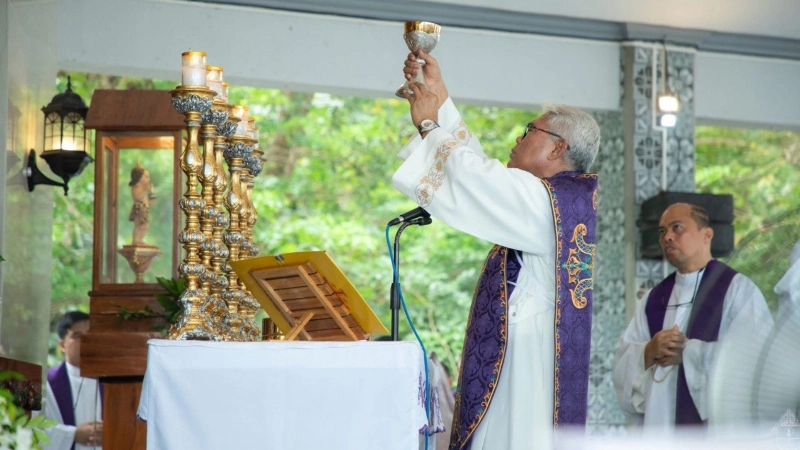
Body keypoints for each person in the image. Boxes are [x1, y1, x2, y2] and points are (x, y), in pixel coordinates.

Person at [392, 50, 601, 450]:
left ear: (558, 148)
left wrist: (430, 122)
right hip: (519, 358)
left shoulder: (547, 202)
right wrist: (440, 96)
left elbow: (476, 178)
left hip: (525, 369)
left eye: (528, 132)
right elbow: (475, 168)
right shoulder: (560, 200)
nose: (517, 140)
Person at [613, 203, 773, 430]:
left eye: (677, 228)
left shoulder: (737, 290)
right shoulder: (653, 300)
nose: (667, 236)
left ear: (706, 234)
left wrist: (689, 353)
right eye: (662, 232)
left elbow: (760, 362)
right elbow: (622, 365)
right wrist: (649, 352)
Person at [43, 311, 103, 450]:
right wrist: (73, 434)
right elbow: (33, 426)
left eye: (89, 335)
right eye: (77, 336)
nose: (86, 340)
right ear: (62, 345)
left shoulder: (112, 380)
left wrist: (112, 431)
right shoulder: (46, 383)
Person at [128, 162, 156, 246]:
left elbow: (146, 200)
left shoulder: (142, 189)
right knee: (139, 226)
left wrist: (151, 197)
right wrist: (145, 190)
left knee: (145, 226)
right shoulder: (137, 187)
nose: (148, 179)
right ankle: (136, 240)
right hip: (139, 209)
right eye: (146, 177)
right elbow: (138, 197)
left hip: (144, 210)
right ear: (139, 178)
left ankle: (140, 239)